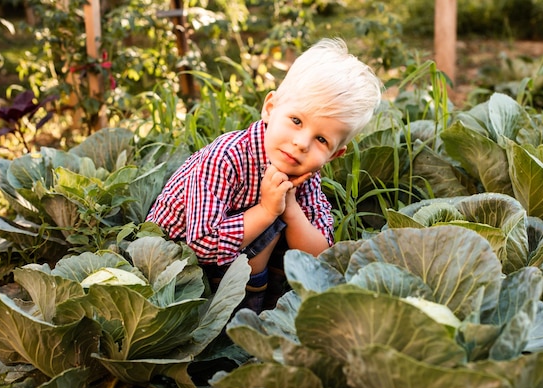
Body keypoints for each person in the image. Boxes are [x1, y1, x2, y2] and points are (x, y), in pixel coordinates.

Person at [146, 37, 382, 313]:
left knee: (290, 225)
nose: (302, 143)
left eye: (321, 139)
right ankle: (233, 327)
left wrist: (291, 209)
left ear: (334, 155)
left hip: (229, 260)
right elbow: (200, 244)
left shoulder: (305, 174)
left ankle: (260, 315)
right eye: (296, 121)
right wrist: (267, 210)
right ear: (270, 108)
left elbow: (321, 256)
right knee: (270, 223)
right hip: (172, 264)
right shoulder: (226, 156)